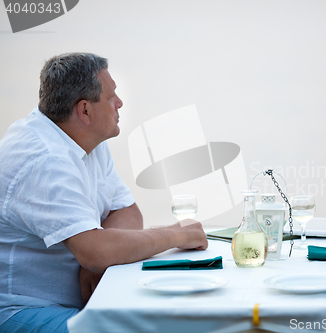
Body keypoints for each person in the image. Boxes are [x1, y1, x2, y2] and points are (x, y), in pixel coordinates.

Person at [0, 53, 208, 333]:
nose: (119, 103)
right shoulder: (45, 160)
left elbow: (127, 211)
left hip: (82, 299)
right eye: (111, 98)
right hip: (25, 309)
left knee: (176, 314)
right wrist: (178, 233)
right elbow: (96, 251)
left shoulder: (84, 138)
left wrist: (97, 258)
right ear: (85, 110)